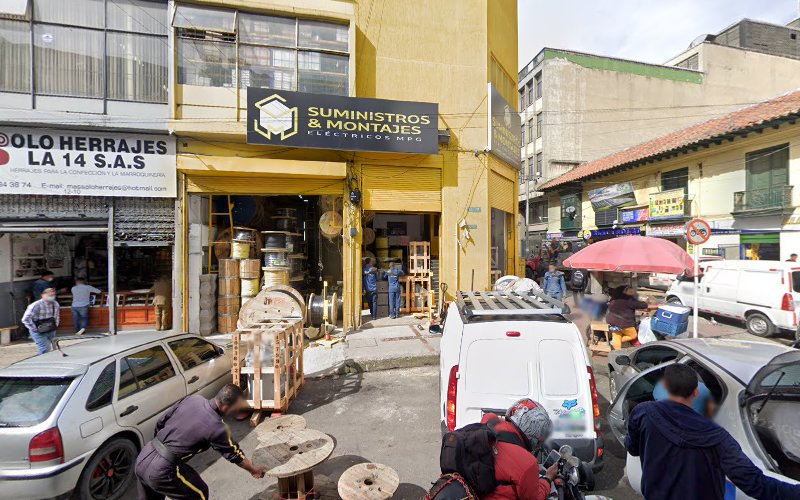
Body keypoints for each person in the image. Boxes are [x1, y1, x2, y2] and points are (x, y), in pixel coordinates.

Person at [626, 364, 800, 500]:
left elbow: (632, 448)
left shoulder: (643, 412)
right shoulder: (719, 438)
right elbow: (755, 484)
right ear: (696, 392)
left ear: (665, 386)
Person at [135, 384, 266, 500]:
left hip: (144, 456)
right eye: (237, 407)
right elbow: (234, 454)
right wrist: (253, 470)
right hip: (163, 469)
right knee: (199, 494)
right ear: (226, 406)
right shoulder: (217, 427)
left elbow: (161, 421)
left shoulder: (192, 399)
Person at [480, 399, 557, 500]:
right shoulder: (527, 462)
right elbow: (534, 498)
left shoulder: (487, 426)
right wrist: (548, 479)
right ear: (534, 431)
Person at [21, 287, 60, 355]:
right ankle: (39, 362)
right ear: (43, 295)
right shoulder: (36, 305)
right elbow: (25, 319)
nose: (52, 297)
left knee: (53, 347)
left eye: (53, 295)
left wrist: (55, 326)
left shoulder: (55, 304)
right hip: (38, 330)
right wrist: (35, 329)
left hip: (51, 329)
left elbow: (57, 316)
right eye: (50, 295)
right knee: (45, 348)